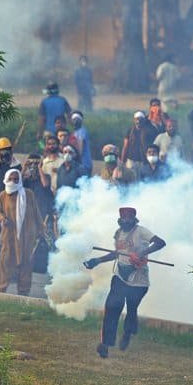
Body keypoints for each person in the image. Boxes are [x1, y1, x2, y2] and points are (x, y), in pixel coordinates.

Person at [82, 207, 166, 358]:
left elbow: (160, 243)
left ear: (134, 219)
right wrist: (98, 260)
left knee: (131, 310)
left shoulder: (141, 231)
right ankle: (105, 345)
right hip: (120, 276)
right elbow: (117, 254)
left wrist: (141, 253)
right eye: (123, 217)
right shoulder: (118, 233)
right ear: (120, 219)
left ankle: (128, 333)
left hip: (139, 281)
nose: (126, 220)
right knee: (112, 308)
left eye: (129, 218)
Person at [0, 169, 44, 296]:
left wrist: (40, 229)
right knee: (5, 261)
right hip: (9, 234)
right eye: (11, 179)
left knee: (26, 263)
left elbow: (36, 212)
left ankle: (24, 292)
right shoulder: (3, 195)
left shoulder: (28, 194)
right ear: (6, 179)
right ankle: (0, 290)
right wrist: (2, 218)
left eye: (16, 179)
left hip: (27, 235)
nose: (13, 181)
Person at [0, 137, 22, 201]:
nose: (6, 152)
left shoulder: (16, 165)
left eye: (7, 149)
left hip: (11, 199)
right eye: (3, 150)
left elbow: (20, 183)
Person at [71, 111, 93, 176]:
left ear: (81, 120)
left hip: (84, 164)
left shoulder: (82, 131)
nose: (75, 121)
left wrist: (78, 161)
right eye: (74, 119)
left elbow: (80, 148)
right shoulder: (75, 132)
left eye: (77, 119)